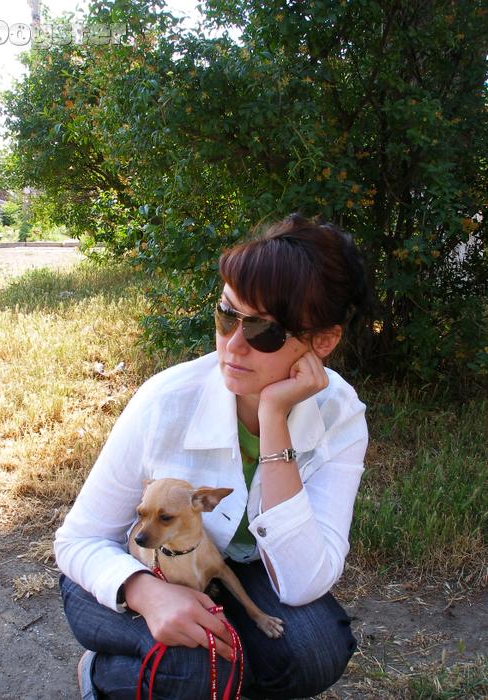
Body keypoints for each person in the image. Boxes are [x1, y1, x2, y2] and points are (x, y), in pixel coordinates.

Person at [55, 213, 369, 700]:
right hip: (125, 568)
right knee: (193, 670)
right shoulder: (165, 401)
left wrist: (274, 421)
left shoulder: (339, 416)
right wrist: (147, 593)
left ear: (322, 341)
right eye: (227, 314)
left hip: (222, 568)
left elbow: (303, 582)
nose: (234, 346)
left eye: (265, 331)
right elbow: (79, 541)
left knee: (316, 651)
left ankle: (223, 676)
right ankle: (101, 673)